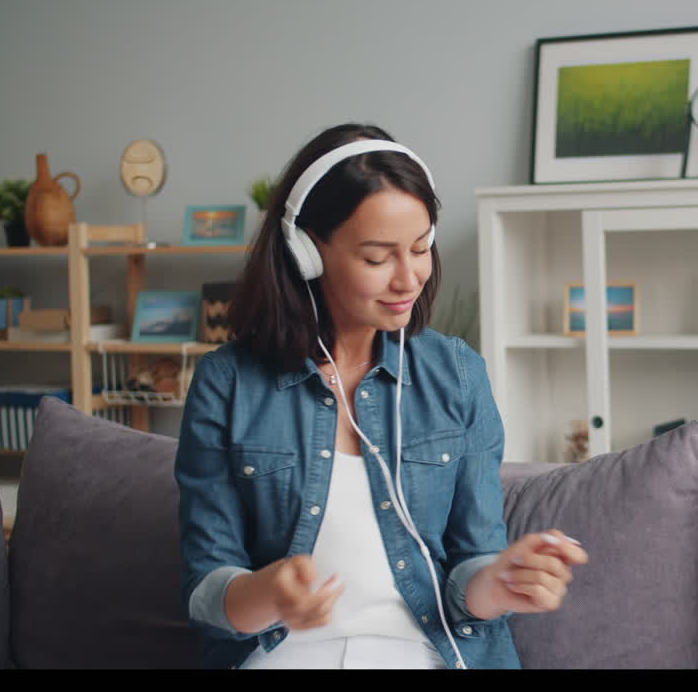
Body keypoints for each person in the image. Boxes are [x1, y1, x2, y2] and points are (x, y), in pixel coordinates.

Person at [174, 123, 588, 670]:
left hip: (429, 653)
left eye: (421, 249)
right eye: (377, 258)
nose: (409, 278)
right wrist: (269, 593)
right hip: (283, 655)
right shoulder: (227, 384)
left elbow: (471, 566)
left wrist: (501, 582)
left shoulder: (457, 374)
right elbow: (207, 590)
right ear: (307, 253)